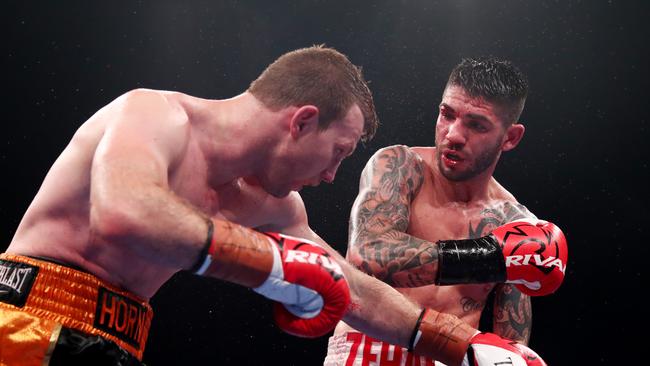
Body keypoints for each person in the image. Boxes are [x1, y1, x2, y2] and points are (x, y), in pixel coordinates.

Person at [1, 46, 552, 366]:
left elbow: (350, 286)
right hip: (25, 319)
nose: (333, 174)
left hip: (117, 341)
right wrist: (270, 262)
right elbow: (124, 213)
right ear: (301, 121)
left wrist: (465, 346)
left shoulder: (272, 206)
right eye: (336, 152)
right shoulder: (154, 115)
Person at [324, 57, 568, 365]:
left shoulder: (514, 223)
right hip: (369, 346)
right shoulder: (400, 166)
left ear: (510, 137)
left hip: (452, 357)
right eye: (446, 114)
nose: (453, 134)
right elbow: (368, 254)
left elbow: (511, 340)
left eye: (476, 125)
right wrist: (489, 257)